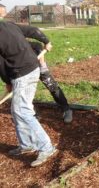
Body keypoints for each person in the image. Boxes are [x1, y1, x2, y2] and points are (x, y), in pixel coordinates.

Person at [0, 22, 58, 167]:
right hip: (30, 67)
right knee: (16, 110)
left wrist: (8, 81)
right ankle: (27, 144)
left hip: (23, 72)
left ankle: (46, 147)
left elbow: (0, 64)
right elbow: (33, 30)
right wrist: (46, 41)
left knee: (22, 110)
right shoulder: (8, 25)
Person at [29, 41, 73, 123]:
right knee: (26, 92)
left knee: (53, 87)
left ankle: (66, 109)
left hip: (40, 68)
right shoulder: (14, 47)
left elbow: (41, 59)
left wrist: (42, 69)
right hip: (26, 72)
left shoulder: (34, 45)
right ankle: (32, 113)